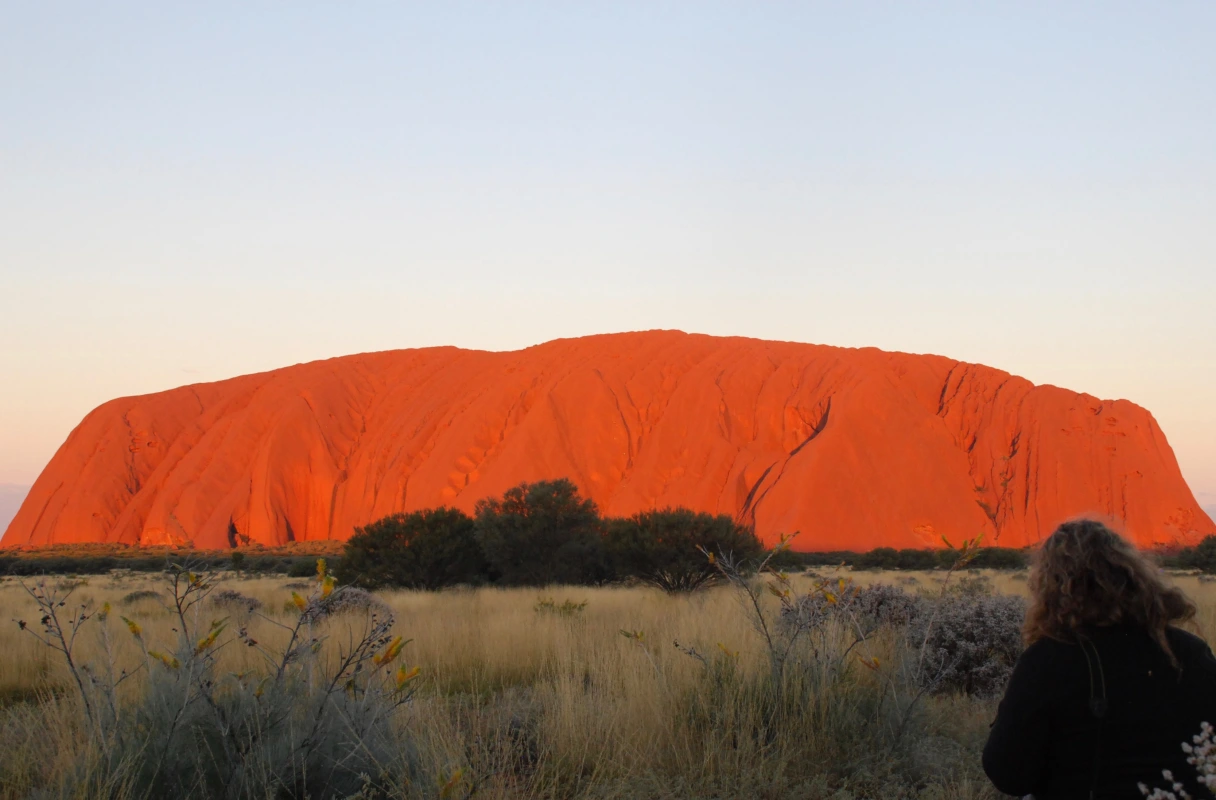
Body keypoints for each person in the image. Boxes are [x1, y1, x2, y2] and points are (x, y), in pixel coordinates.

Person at [983, 519, 1216, 799]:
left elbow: (1008, 775)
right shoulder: (1188, 650)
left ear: (1052, 586)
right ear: (1134, 575)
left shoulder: (1049, 659)